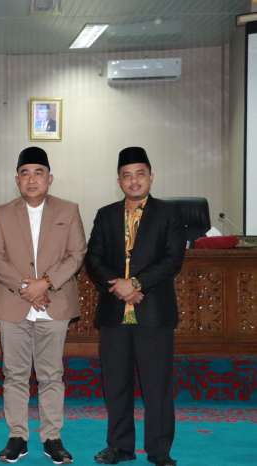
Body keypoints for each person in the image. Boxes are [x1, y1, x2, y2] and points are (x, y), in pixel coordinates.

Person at [86, 147, 185, 466]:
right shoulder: (106, 215)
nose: (134, 181)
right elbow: (93, 258)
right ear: (119, 181)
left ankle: (159, 451)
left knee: (157, 386)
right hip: (114, 312)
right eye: (127, 176)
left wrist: (137, 284)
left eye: (140, 174)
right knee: (116, 385)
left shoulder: (169, 213)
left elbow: (173, 259)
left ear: (151, 177)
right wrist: (119, 286)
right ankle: (119, 446)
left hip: (154, 312)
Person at [0, 147, 86, 464]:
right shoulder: (2, 213)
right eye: (25, 173)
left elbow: (77, 253)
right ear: (17, 180)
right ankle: (17, 436)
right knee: (14, 375)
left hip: (54, 303)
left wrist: (46, 282)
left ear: (49, 178)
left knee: (51, 374)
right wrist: (25, 287)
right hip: (13, 304)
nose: (32, 179)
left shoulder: (68, 210)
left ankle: (52, 437)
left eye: (38, 173)